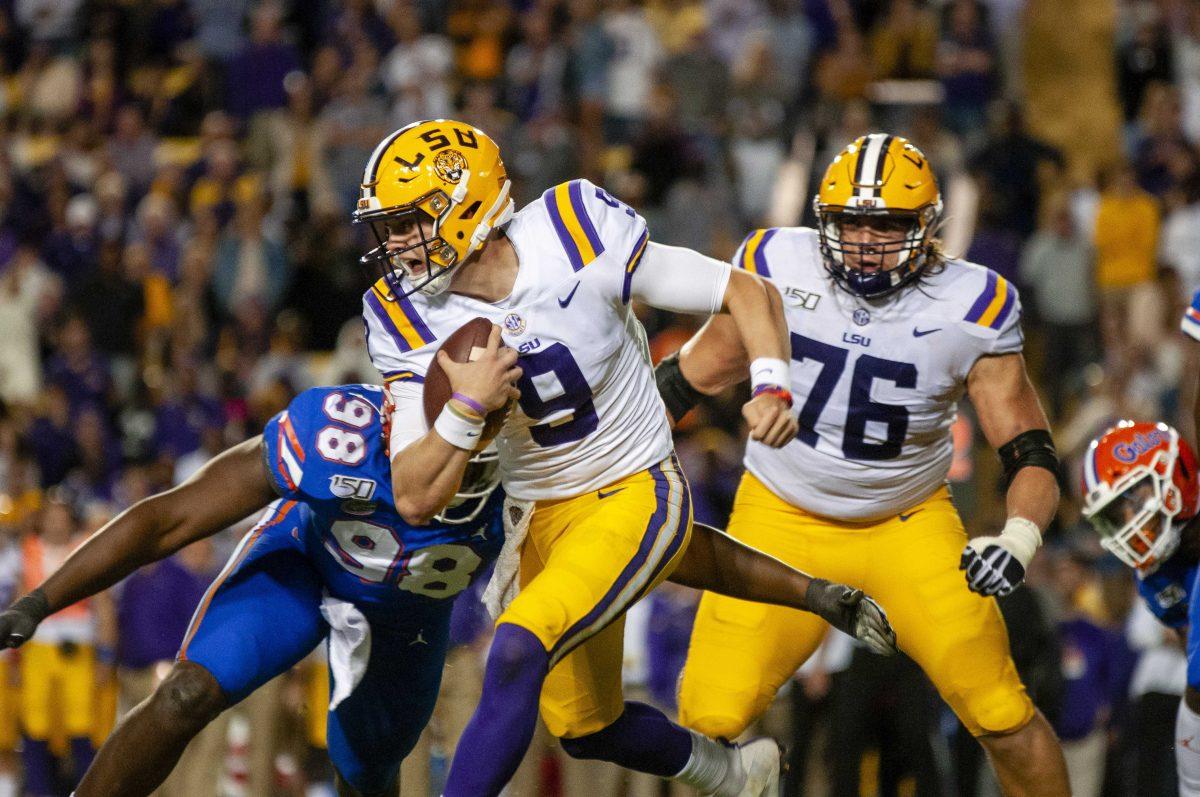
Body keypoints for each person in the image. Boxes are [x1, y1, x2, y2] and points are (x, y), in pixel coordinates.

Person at [0, 381, 894, 797]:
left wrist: (807, 589)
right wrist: (43, 600)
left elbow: (675, 548)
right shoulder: (337, 431)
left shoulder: (533, 479)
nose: (443, 481)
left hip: (408, 622)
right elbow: (170, 518)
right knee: (191, 688)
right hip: (306, 569)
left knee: (367, 777)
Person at [357, 119, 803, 796]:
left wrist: (771, 383)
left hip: (635, 484)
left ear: (466, 206)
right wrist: (464, 410)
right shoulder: (401, 312)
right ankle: (735, 772)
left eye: (406, 223)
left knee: (515, 646)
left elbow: (745, 290)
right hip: (540, 513)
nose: (392, 246)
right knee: (586, 725)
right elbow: (415, 492)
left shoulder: (575, 226)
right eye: (385, 228)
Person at [656, 133, 1072, 796]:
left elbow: (1032, 453)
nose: (866, 240)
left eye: (887, 224)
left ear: (927, 229)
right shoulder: (775, 263)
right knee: (707, 718)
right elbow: (693, 375)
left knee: (1000, 710)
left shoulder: (973, 304)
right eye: (851, 221)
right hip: (779, 516)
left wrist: (1017, 536)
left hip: (906, 524)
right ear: (824, 220)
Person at [1079, 420, 1200, 794]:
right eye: (1116, 516)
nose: (1129, 523)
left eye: (1133, 501)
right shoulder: (1154, 576)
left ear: (1173, 474)